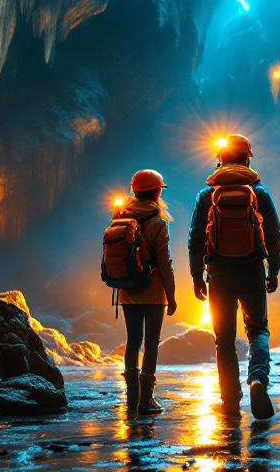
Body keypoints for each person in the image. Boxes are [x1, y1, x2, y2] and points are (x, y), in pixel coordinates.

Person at [188, 133, 280, 419]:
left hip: (218, 274)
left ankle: (230, 401)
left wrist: (196, 275)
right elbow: (275, 236)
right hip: (252, 270)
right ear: (247, 158)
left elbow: (194, 239)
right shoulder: (259, 193)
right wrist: (274, 271)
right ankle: (257, 379)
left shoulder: (207, 195)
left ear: (220, 158)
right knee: (258, 331)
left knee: (224, 339)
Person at [113, 169, 177, 415]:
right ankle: (146, 400)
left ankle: (131, 397)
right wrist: (171, 296)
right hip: (153, 292)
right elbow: (165, 263)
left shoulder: (119, 219)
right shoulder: (158, 223)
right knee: (151, 343)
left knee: (132, 341)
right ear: (157, 191)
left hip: (127, 290)